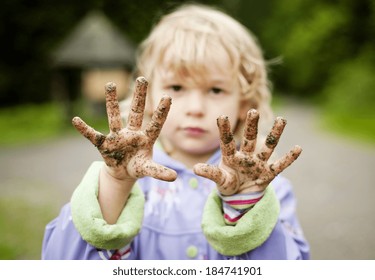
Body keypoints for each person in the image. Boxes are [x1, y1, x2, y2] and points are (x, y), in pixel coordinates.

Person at [42, 4, 309, 260]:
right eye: (177, 88)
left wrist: (245, 202)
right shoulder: (126, 179)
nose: (195, 108)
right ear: (147, 94)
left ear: (244, 103)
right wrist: (115, 184)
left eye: (215, 90)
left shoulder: (266, 187)